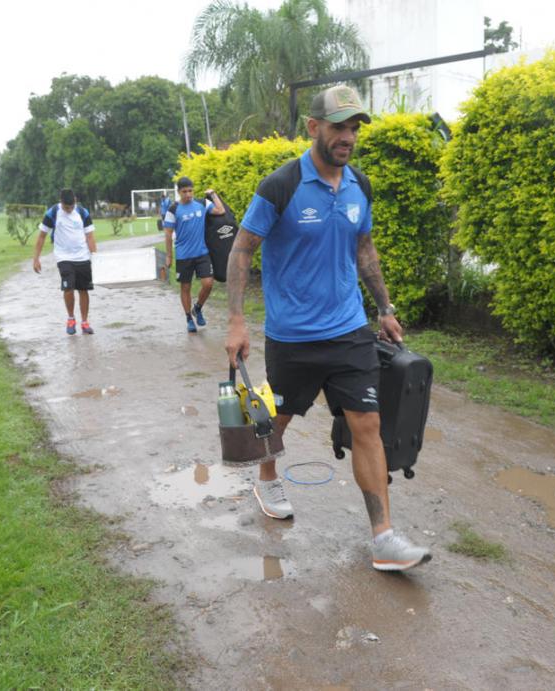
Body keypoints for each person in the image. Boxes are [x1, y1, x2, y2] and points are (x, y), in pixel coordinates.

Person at [225, 85, 431, 572]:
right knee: (277, 419)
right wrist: (236, 320)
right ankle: (267, 475)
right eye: (339, 126)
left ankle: (383, 537)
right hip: (293, 334)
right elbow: (242, 249)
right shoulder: (281, 185)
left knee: (368, 425)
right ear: (314, 128)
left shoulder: (359, 184)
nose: (349, 136)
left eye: (355, 127)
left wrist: (384, 307)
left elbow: (365, 249)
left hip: (349, 330)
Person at [32, 188, 97, 335]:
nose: (69, 210)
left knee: (83, 289)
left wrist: (95, 255)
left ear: (75, 200)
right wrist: (36, 258)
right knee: (68, 288)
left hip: (83, 256)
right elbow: (41, 236)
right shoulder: (53, 213)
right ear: (61, 202)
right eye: (66, 207)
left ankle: (85, 322)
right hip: (63, 257)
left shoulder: (82, 212)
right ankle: (71, 319)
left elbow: (90, 236)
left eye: (72, 206)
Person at [164, 177, 225, 333]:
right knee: (185, 287)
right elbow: (168, 234)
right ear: (178, 192)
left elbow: (221, 210)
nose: (188, 194)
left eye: (190, 190)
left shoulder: (202, 204)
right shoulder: (172, 210)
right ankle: (188, 318)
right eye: (184, 192)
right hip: (183, 256)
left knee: (208, 284)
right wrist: (169, 256)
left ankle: (197, 308)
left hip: (202, 253)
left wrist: (213, 194)